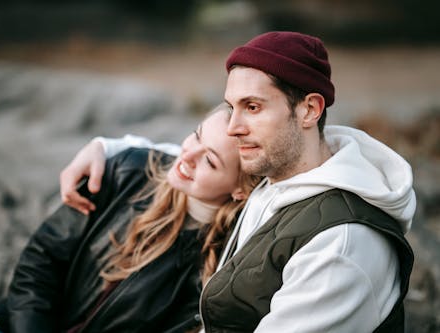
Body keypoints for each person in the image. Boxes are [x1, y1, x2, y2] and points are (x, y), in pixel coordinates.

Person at [60, 31, 416, 332]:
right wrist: (107, 148)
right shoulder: (282, 172)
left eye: (253, 107)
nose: (233, 128)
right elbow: (193, 159)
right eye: (232, 107)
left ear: (309, 109)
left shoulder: (341, 245)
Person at [0, 105, 260, 333]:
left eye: (210, 160)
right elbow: (41, 261)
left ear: (240, 191)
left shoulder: (220, 262)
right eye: (195, 136)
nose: (186, 156)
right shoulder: (127, 170)